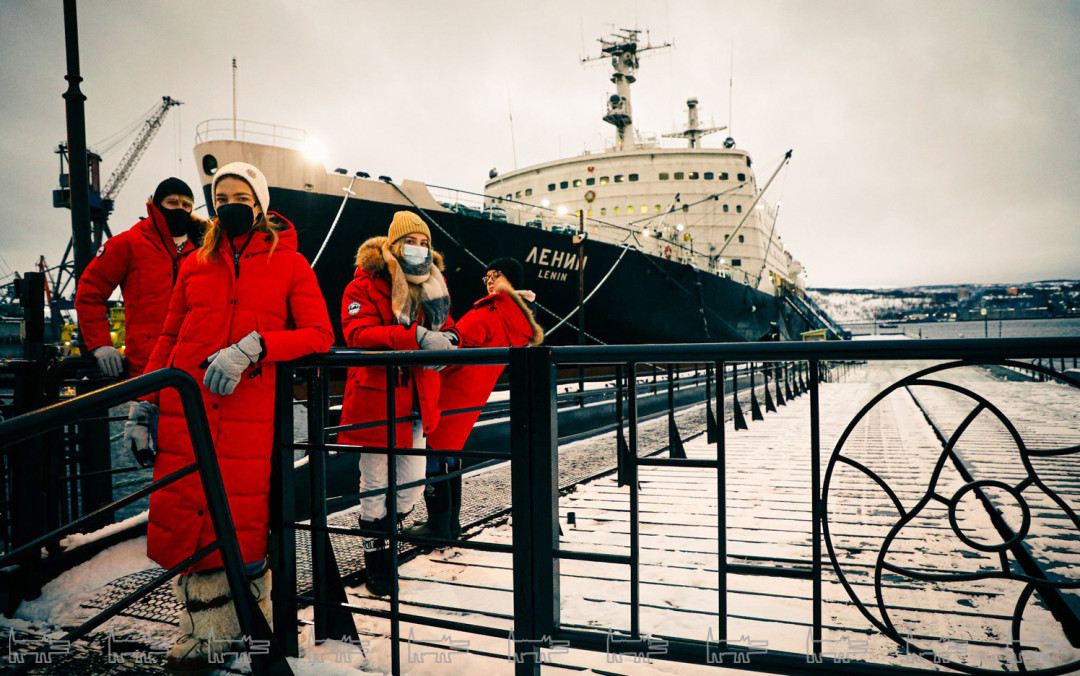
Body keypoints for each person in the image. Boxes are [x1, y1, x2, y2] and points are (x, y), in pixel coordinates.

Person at [140, 162, 333, 671]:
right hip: (187, 411)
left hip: (247, 414)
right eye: (221, 195)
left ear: (260, 202)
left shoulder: (290, 264)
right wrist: (143, 402)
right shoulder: (195, 263)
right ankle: (203, 632)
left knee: (240, 519)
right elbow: (169, 334)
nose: (230, 203)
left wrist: (255, 347)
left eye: (241, 194)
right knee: (189, 515)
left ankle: (236, 629)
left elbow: (319, 334)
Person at [337, 211, 460, 597]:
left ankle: (390, 534)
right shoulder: (363, 286)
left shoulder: (432, 287)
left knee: (411, 484)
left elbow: (449, 327)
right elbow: (359, 333)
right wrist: (417, 336)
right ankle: (378, 560)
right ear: (393, 245)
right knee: (374, 484)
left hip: (418, 403)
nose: (418, 249)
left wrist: (450, 340)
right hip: (378, 401)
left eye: (424, 243)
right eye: (411, 241)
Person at [410, 257, 543, 540]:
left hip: (452, 388)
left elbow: (454, 343)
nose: (490, 280)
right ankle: (451, 523)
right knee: (450, 453)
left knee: (435, 454)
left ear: (511, 279)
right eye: (487, 276)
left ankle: (438, 524)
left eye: (496, 274)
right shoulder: (516, 320)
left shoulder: (489, 312)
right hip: (471, 394)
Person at [75, 177, 204, 379]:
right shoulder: (128, 244)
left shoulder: (204, 249)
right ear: (156, 205)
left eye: (186, 204)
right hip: (146, 367)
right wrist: (100, 345)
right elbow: (89, 292)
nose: (179, 208)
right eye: (172, 202)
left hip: (196, 366)